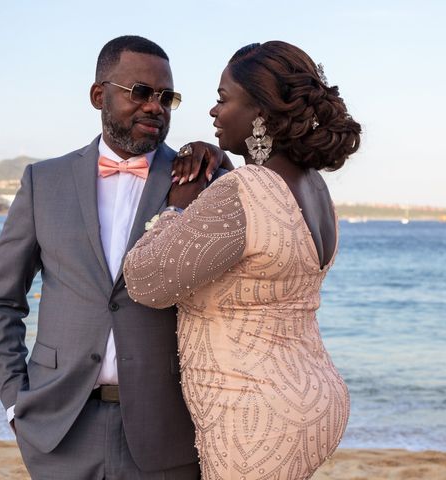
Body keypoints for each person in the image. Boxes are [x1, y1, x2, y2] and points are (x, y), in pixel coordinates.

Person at [0, 35, 230, 479]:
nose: (156, 106)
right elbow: (0, 299)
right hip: (59, 428)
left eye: (166, 96)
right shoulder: (43, 181)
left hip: (164, 432)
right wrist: (15, 402)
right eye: (141, 92)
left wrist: (219, 161)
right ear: (99, 95)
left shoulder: (196, 177)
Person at [123, 41, 361, 479]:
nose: (213, 112)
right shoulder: (312, 188)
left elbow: (145, 280)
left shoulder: (243, 191)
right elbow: (255, 240)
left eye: (222, 98)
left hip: (254, 411)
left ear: (262, 113)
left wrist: (178, 205)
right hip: (313, 394)